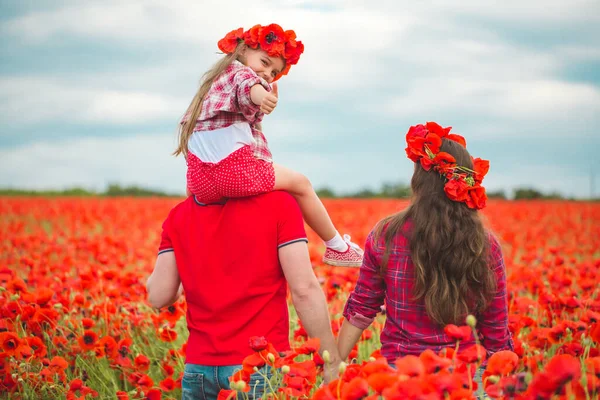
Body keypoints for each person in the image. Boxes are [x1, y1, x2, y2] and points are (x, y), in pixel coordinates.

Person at [173, 23, 363, 267]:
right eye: (265, 63)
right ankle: (338, 247)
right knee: (301, 184)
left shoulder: (213, 86)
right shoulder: (240, 73)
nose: (267, 75)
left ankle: (199, 254)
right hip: (233, 173)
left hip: (198, 182)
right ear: (242, 52)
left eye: (274, 73)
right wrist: (265, 98)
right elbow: (249, 88)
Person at [337, 122, 514, 364]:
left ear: (418, 180)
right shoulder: (483, 244)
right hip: (465, 378)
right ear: (467, 182)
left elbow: (362, 306)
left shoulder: (386, 235)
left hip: (400, 375)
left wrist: (333, 364)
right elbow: (495, 328)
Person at [146, 191, 341, 399]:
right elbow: (304, 290)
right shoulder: (280, 204)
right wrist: (331, 361)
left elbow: (158, 296)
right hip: (259, 368)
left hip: (199, 369)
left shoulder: (179, 215)